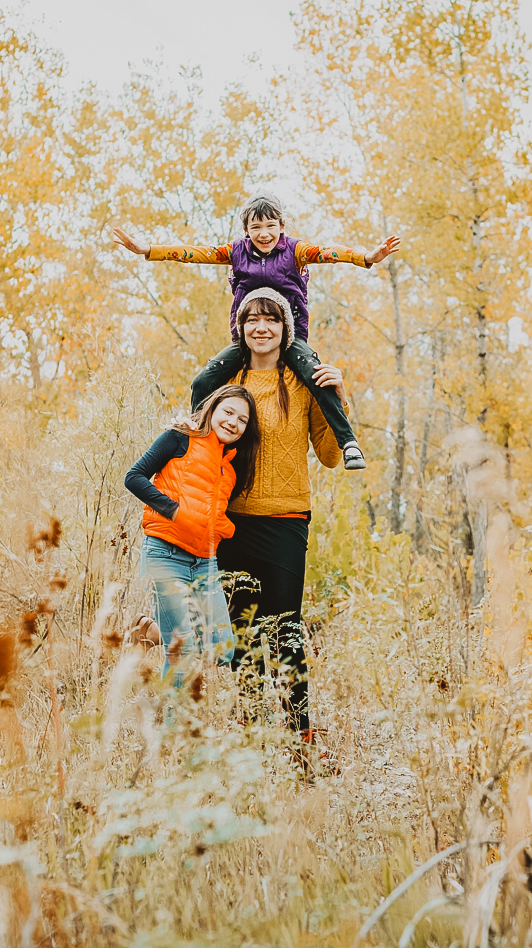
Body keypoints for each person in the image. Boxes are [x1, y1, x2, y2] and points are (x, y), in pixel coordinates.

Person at [110, 192, 399, 470]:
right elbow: (194, 253)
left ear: (281, 226)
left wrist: (366, 257)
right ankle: (197, 439)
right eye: (256, 227)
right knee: (202, 381)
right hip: (246, 339)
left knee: (318, 377)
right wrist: (148, 250)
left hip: (291, 337)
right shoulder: (236, 252)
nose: (264, 234)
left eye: (270, 226)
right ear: (246, 230)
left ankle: (348, 442)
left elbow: (328, 253)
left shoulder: (295, 251)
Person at [217, 288, 345, 749]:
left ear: (285, 328)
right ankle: (251, 741)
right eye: (252, 319)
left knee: (286, 634)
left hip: (287, 522)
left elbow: (329, 455)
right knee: (244, 637)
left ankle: (299, 739)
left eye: (271, 319)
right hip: (232, 524)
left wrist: (338, 396)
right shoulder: (227, 381)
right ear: (241, 327)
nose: (261, 327)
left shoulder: (303, 382)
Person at [123, 384, 261, 667]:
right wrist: (173, 510)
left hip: (204, 562)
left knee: (222, 651)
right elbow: (134, 477)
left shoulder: (230, 468)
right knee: (181, 654)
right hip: (166, 554)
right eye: (228, 412)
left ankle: (150, 631)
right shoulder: (180, 437)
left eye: (242, 420)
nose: (233, 422)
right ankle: (171, 690)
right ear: (212, 408)